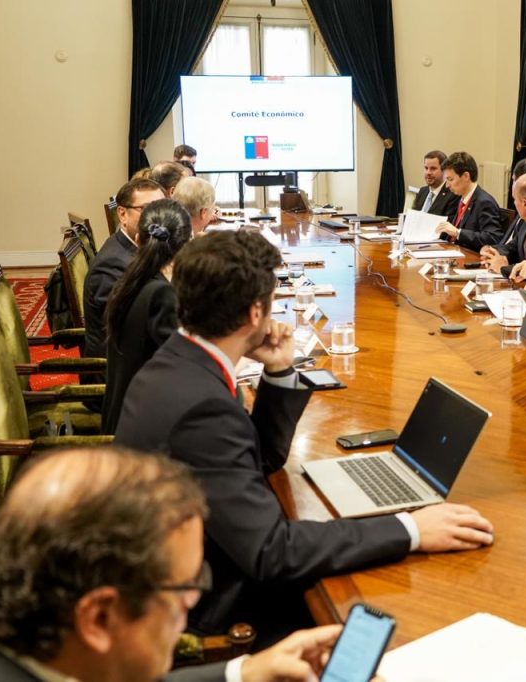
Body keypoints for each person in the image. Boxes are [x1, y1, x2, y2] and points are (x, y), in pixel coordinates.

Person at [114, 230, 494, 642]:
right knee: (390, 612)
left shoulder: (178, 360)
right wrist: (411, 530)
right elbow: (271, 551)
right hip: (208, 603)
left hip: (199, 557)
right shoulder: (201, 407)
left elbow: (258, 458)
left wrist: (279, 371)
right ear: (255, 313)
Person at [0, 446, 349, 682]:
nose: (194, 602)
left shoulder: (5, 636)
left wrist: (245, 672)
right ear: (99, 618)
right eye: (185, 588)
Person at [102, 199, 193, 434]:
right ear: (188, 245)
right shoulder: (160, 295)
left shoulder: (131, 281)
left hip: (125, 415)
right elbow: (188, 369)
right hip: (144, 433)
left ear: (139, 240)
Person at [83, 178, 165, 360]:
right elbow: (134, 329)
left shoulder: (140, 248)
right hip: (118, 367)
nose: (157, 217)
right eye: (147, 209)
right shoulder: (111, 265)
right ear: (122, 214)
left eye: (161, 208)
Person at [435, 151, 504, 249]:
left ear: (466, 176)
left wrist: (457, 233)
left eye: (450, 179)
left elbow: (493, 237)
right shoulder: (461, 198)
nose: (447, 185)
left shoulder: (485, 202)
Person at [411, 150, 458, 217]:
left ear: (444, 170)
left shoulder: (453, 194)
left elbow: (448, 221)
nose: (428, 172)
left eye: (433, 168)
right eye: (426, 168)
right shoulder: (422, 191)